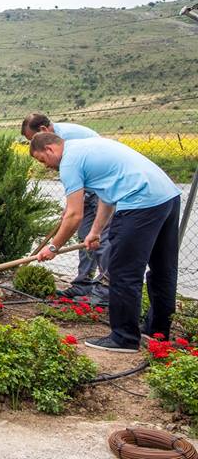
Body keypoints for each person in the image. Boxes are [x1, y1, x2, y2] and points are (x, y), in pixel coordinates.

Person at [30, 133, 181, 353]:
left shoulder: (69, 163)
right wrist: (95, 232)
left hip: (141, 202)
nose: (46, 167)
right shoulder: (85, 147)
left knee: (123, 272)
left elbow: (73, 215)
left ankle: (124, 338)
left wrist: (54, 247)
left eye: (43, 160)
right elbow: (108, 195)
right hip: (167, 196)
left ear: (50, 149)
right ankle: (157, 332)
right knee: (163, 270)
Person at [21, 113, 108, 301]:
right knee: (85, 236)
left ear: (43, 132)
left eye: (33, 139)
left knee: (100, 237)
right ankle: (83, 284)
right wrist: (71, 208)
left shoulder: (68, 142)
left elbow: (75, 209)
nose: (44, 166)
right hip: (87, 188)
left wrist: (53, 247)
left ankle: (105, 289)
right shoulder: (57, 143)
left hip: (102, 188)